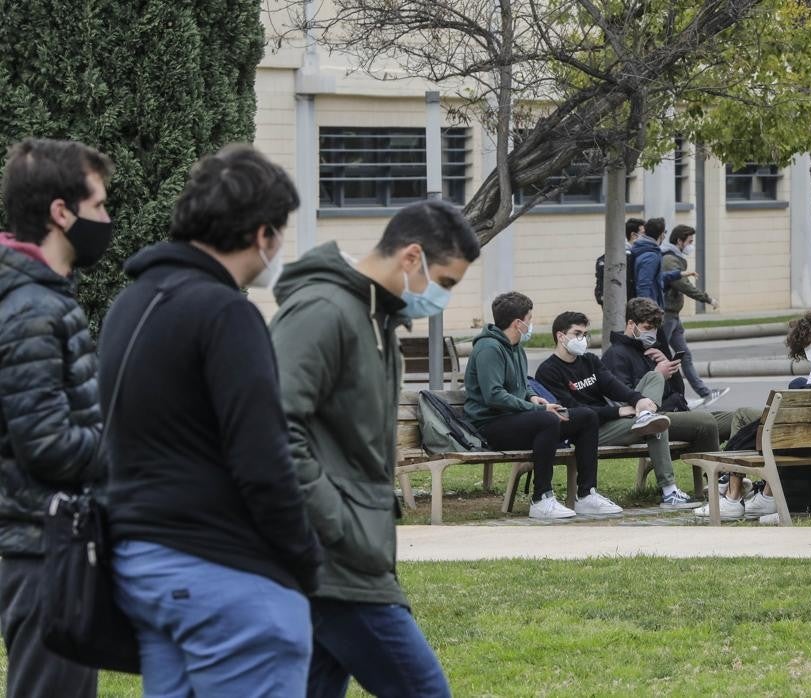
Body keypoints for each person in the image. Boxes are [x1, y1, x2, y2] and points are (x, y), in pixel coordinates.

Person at [100, 145, 323, 695]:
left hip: (143, 566)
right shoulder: (227, 314)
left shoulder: (131, 304)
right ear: (262, 233)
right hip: (222, 571)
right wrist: (304, 561)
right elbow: (263, 459)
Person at [271, 199, 480, 698]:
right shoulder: (324, 311)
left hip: (344, 554)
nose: (442, 297)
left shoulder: (374, 318)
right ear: (411, 257)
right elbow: (271, 428)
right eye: (444, 282)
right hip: (334, 559)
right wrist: (336, 521)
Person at [0, 138, 115, 698]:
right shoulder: (31, 310)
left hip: (50, 544)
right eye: (99, 206)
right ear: (61, 213)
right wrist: (127, 445)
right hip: (41, 551)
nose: (107, 221)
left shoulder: (43, 297)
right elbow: (46, 443)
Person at [701, 309, 811, 520]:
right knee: (771, 421)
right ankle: (761, 495)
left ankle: (733, 495)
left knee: (769, 428)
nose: (807, 353)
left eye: (806, 346)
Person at [465, 292, 623, 520]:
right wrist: (538, 409)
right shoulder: (489, 349)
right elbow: (494, 396)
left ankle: (586, 495)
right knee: (547, 419)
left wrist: (532, 398)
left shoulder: (516, 348)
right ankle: (541, 499)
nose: (531, 324)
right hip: (490, 425)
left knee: (586, 417)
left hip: (516, 418)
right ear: (518, 323)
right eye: (529, 318)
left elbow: (522, 385)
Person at [603, 298, 758, 512]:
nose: (652, 334)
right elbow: (626, 399)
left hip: (676, 411)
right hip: (648, 419)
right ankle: (721, 479)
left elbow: (678, 394)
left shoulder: (651, 349)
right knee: (704, 421)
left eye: (655, 329)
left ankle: (730, 476)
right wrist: (658, 374)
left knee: (738, 418)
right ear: (631, 324)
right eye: (647, 328)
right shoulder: (616, 355)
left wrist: (669, 366)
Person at [536, 311, 701, 509]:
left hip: (608, 421)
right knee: (656, 425)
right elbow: (573, 411)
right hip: (585, 431)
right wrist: (618, 412)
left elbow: (614, 386)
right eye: (577, 334)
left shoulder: (590, 360)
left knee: (654, 379)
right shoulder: (548, 371)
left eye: (585, 334)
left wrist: (638, 400)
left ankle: (646, 414)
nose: (582, 339)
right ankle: (669, 491)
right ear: (560, 336)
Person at [661, 224, 728, 408]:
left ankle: (705, 393)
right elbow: (684, 285)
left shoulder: (675, 258)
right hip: (666, 316)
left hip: (673, 316)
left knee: (685, 356)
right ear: (679, 240)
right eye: (689, 241)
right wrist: (708, 299)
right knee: (662, 358)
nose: (691, 245)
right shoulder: (669, 259)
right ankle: (670, 398)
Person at [632, 217, 687, 308]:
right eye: (664, 232)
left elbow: (657, 277)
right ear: (661, 234)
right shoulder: (651, 255)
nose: (664, 236)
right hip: (649, 309)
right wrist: (645, 311)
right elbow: (643, 285)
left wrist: (679, 274)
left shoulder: (646, 249)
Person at [594, 217, 643, 305]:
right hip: (627, 307)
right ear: (633, 235)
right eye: (644, 234)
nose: (646, 238)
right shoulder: (630, 258)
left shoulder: (607, 256)